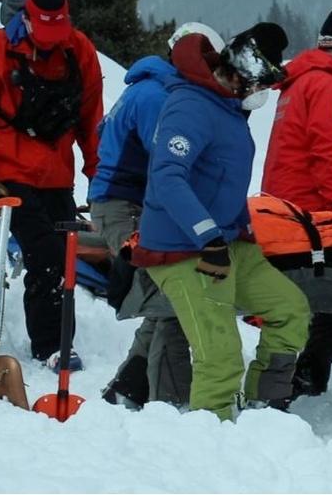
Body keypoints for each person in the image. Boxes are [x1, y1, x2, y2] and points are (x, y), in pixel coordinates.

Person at [131, 24, 310, 421]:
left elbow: (225, 181)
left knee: (290, 309)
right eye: (258, 82)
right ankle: (211, 441)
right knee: (220, 353)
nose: (256, 92)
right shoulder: (191, 105)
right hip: (185, 250)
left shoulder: (226, 108)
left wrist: (241, 230)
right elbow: (167, 176)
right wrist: (207, 236)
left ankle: (265, 408)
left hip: (228, 243)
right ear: (243, 71)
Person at [0, 0, 103, 370]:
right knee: (48, 255)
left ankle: (57, 339)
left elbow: (91, 121)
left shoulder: (79, 50)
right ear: (27, 20)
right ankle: (51, 346)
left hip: (56, 175)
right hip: (8, 176)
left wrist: (100, 177)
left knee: (64, 256)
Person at [91, 23, 225, 409]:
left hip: (128, 201)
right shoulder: (156, 97)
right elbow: (166, 164)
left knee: (162, 298)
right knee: (172, 297)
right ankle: (171, 400)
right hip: (126, 204)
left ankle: (129, 388)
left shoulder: (154, 88)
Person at [260, 6, 332, 404]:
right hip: (311, 210)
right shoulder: (329, 85)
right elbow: (330, 148)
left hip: (284, 203)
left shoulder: (300, 81)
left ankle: (309, 374)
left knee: (321, 301)